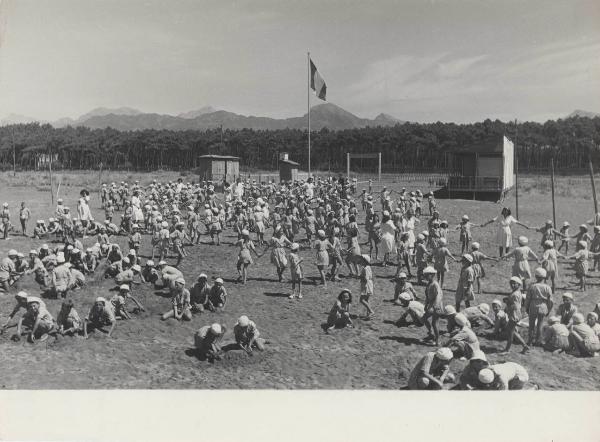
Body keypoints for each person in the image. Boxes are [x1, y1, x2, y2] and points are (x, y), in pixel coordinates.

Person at [500, 276, 529, 354]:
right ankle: (525, 346)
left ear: (519, 284)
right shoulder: (516, 292)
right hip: (515, 314)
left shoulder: (515, 294)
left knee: (510, 333)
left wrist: (507, 306)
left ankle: (507, 350)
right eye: (511, 283)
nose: (512, 285)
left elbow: (515, 306)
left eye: (514, 284)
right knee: (512, 331)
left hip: (514, 315)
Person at [524, 267, 553, 346]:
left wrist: (526, 307)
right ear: (545, 277)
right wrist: (549, 309)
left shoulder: (532, 286)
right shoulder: (547, 287)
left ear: (536, 276)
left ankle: (530, 340)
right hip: (543, 306)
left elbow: (528, 298)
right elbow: (550, 301)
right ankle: (537, 340)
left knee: (531, 324)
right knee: (540, 324)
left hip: (533, 305)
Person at [422, 266, 443, 346]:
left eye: (427, 275)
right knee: (424, 318)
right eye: (425, 275)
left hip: (436, 305)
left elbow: (439, 295)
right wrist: (426, 304)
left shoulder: (435, 284)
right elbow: (427, 296)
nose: (426, 277)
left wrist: (435, 306)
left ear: (432, 275)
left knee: (434, 323)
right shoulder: (429, 284)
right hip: (431, 304)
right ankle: (431, 334)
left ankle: (437, 340)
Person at [358, 254, 374, 319]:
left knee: (361, 300)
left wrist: (360, 277)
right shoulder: (368, 267)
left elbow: (365, 278)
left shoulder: (365, 268)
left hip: (366, 285)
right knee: (367, 300)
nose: (360, 261)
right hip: (369, 284)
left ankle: (370, 311)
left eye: (361, 260)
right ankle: (368, 314)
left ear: (365, 261)